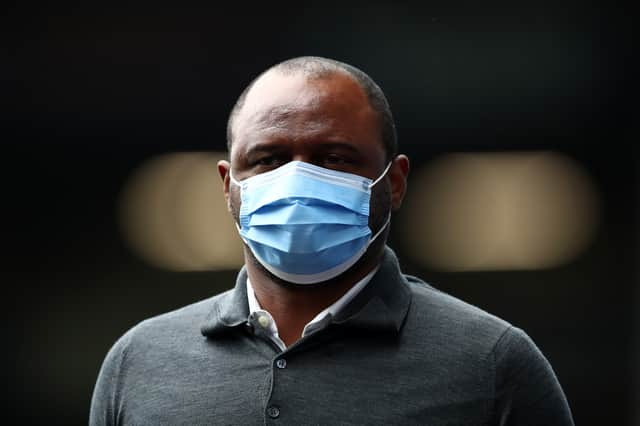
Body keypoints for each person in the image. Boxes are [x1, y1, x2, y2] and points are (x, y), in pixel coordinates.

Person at [90, 56, 574, 425]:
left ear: (396, 181)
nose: (298, 178)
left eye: (335, 158)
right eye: (267, 158)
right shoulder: (139, 362)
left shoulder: (491, 364)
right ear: (227, 184)